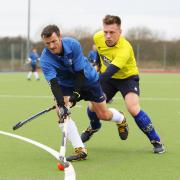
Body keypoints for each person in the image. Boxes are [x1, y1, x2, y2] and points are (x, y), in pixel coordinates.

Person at [40, 25, 128, 160]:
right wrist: (61, 104)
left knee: (103, 114)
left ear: (60, 37)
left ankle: (120, 118)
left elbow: (80, 74)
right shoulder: (45, 59)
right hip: (65, 84)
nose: (51, 46)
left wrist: (75, 96)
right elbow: (54, 84)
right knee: (60, 112)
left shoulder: (73, 45)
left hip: (88, 80)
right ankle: (80, 150)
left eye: (54, 41)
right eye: (47, 44)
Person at [81, 15, 165, 154]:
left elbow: (110, 72)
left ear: (120, 31)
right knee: (92, 107)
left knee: (133, 108)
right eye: (105, 32)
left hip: (127, 78)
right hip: (107, 77)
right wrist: (96, 66)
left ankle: (156, 140)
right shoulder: (97, 37)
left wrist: (89, 84)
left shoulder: (125, 48)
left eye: (112, 32)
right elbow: (100, 54)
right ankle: (94, 127)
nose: (108, 36)